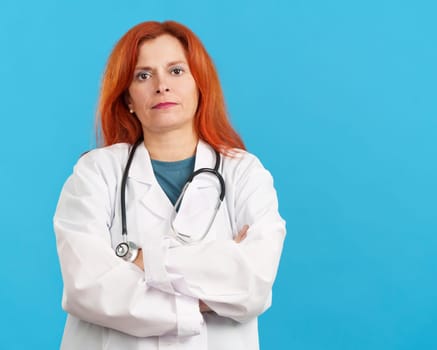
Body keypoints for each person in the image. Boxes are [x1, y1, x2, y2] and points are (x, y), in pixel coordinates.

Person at [54, 20, 286, 350]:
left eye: (176, 71)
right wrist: (211, 288)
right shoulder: (95, 173)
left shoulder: (244, 173)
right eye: (143, 75)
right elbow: (87, 287)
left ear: (199, 85)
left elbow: (253, 286)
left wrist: (139, 260)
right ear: (128, 98)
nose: (162, 86)